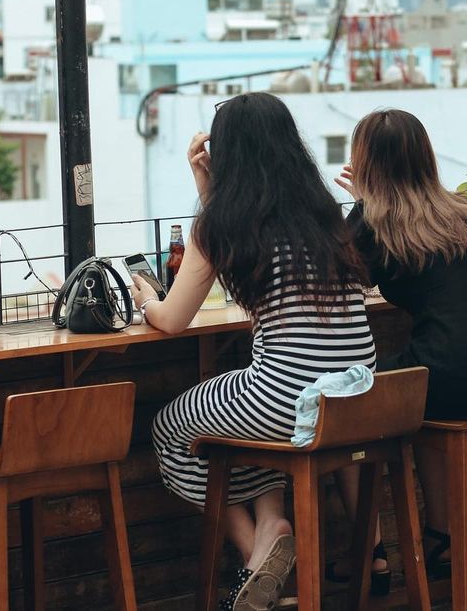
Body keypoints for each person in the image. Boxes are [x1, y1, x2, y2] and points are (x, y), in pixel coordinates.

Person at [130, 92, 376, 611]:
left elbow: (173, 320)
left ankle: (255, 553)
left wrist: (146, 297)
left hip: (287, 400)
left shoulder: (221, 223)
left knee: (170, 429)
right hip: (358, 398)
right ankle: (270, 523)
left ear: (226, 156)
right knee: (253, 412)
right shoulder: (325, 214)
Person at [334, 108, 467, 579]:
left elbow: (338, 276)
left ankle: (370, 554)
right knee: (429, 416)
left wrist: (362, 207)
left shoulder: (375, 222)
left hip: (452, 370)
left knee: (346, 399)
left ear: (363, 164)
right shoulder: (462, 211)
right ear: (425, 156)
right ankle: (440, 540)